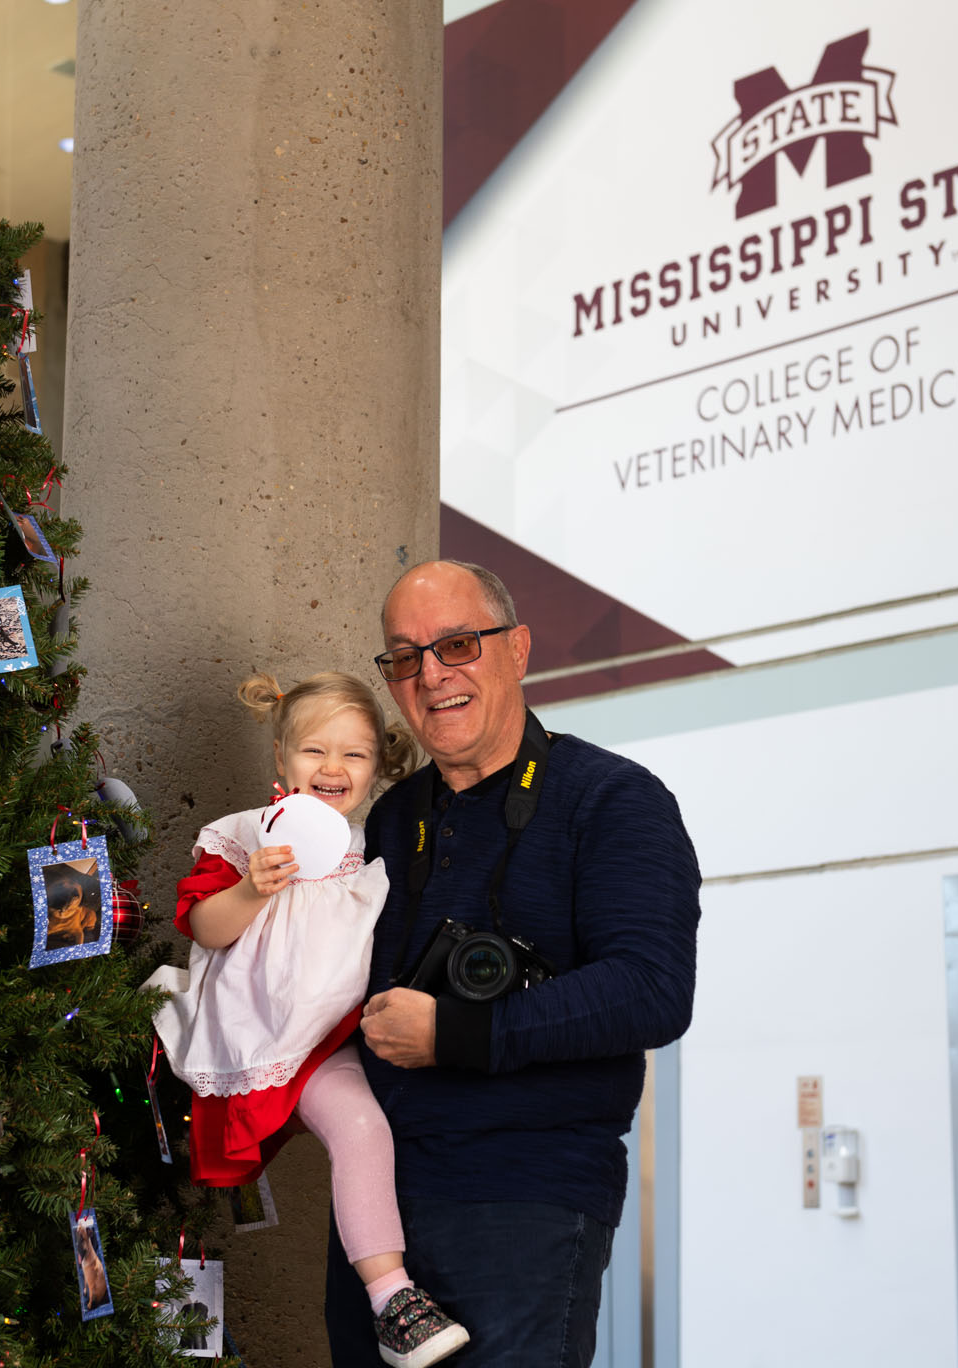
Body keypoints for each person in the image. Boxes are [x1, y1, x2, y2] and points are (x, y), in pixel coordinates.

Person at [327, 561, 701, 1367]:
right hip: (377, 1222)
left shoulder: (613, 799)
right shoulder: (391, 818)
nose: (431, 676)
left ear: (518, 649)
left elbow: (652, 990)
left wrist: (457, 1032)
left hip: (526, 1202)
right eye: (404, 657)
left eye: (457, 644)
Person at [150, 672, 472, 1368]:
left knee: (362, 1126)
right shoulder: (241, 838)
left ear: (379, 766)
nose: (332, 769)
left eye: (354, 756)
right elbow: (206, 927)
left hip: (328, 1041)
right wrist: (251, 889)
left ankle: (392, 1300)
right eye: (313, 752)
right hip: (251, 1034)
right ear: (279, 758)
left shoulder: (376, 850)